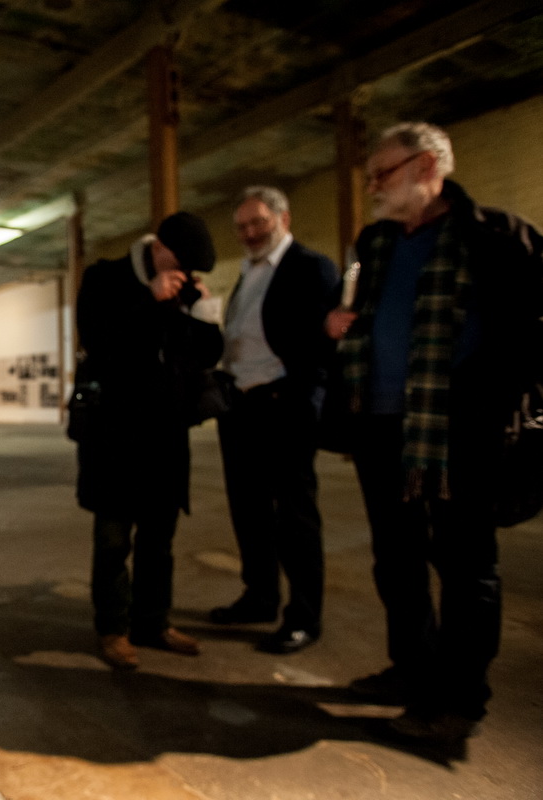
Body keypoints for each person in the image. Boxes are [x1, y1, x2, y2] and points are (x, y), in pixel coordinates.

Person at [326, 122, 543, 744]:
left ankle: (459, 698)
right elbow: (364, 313)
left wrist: (505, 403)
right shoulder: (375, 241)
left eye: (382, 173)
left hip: (459, 432)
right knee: (396, 558)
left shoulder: (494, 235)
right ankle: (412, 669)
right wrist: (339, 322)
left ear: (426, 167)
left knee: (465, 564)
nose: (373, 186)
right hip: (382, 426)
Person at [75, 211, 223, 669]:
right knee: (113, 540)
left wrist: (205, 315)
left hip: (166, 436)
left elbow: (207, 355)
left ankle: (153, 622)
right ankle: (113, 629)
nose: (184, 275)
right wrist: (150, 300)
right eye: (179, 263)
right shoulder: (104, 278)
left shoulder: (186, 288)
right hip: (114, 435)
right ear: (159, 248)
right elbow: (99, 343)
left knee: (159, 539)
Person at [211, 187, 340, 654]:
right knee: (248, 510)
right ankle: (260, 596)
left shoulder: (312, 267)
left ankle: (304, 617)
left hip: (283, 404)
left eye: (258, 223)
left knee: (294, 516)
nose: (249, 233)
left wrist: (305, 398)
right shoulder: (247, 273)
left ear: (283, 219)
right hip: (240, 405)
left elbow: (324, 341)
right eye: (242, 227)